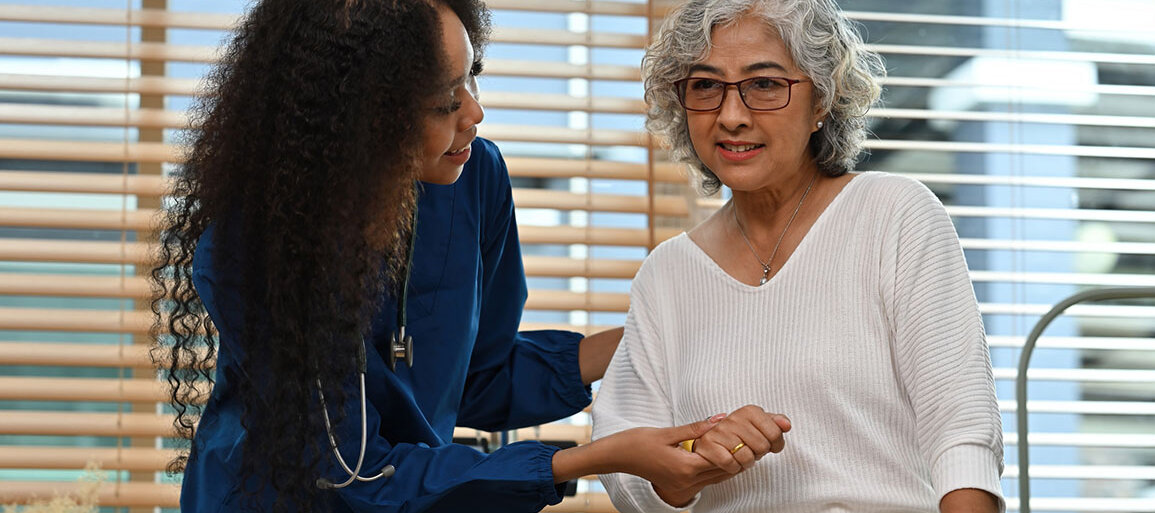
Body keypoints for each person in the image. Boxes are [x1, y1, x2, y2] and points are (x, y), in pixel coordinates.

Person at [151, 1, 789, 512]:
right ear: (359, 121)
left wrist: (659, 333)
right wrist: (600, 456)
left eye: (471, 78)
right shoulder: (252, 247)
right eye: (443, 102)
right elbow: (356, 478)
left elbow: (481, 378)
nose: (475, 114)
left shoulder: (471, 175)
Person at [591, 0, 1005, 512]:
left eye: (764, 84)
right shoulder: (667, 273)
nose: (732, 116)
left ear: (823, 100)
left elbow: (962, 434)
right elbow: (630, 473)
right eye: (705, 86)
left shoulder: (894, 215)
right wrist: (691, 466)